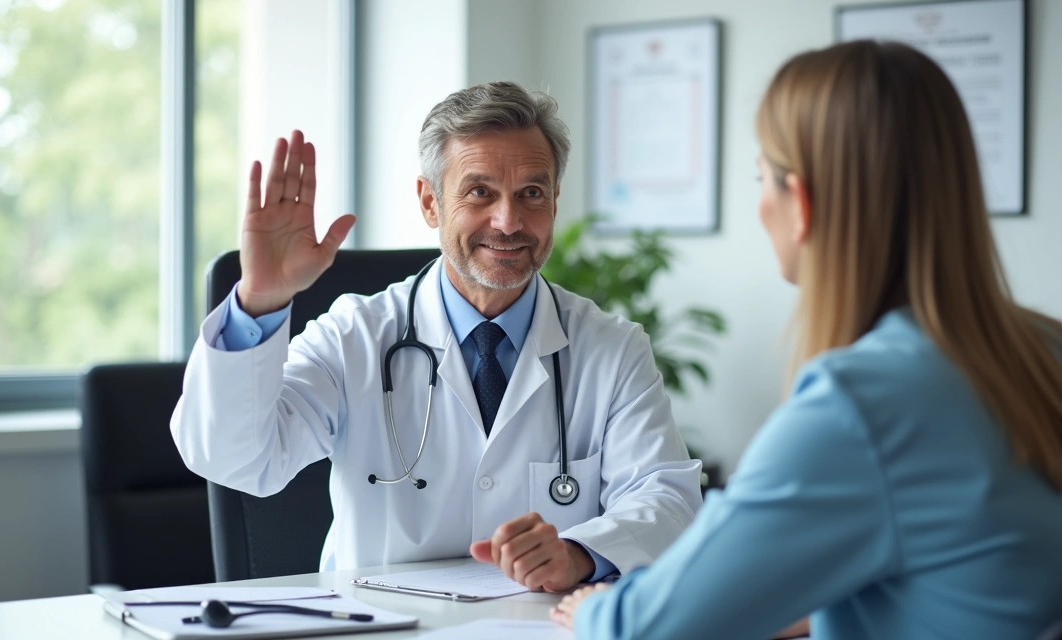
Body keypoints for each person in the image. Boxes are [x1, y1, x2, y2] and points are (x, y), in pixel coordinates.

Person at [551, 40, 1062, 639]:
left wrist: (594, 613)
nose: (760, 203)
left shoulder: (865, 402)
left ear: (804, 204)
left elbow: (653, 628)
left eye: (762, 177)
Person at [170, 81, 702, 592]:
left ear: (555, 202)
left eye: (531, 193)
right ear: (430, 203)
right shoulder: (354, 335)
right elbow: (239, 459)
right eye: (479, 191)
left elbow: (667, 499)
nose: (509, 219)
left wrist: (580, 554)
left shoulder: (611, 349)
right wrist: (259, 301)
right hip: (382, 627)